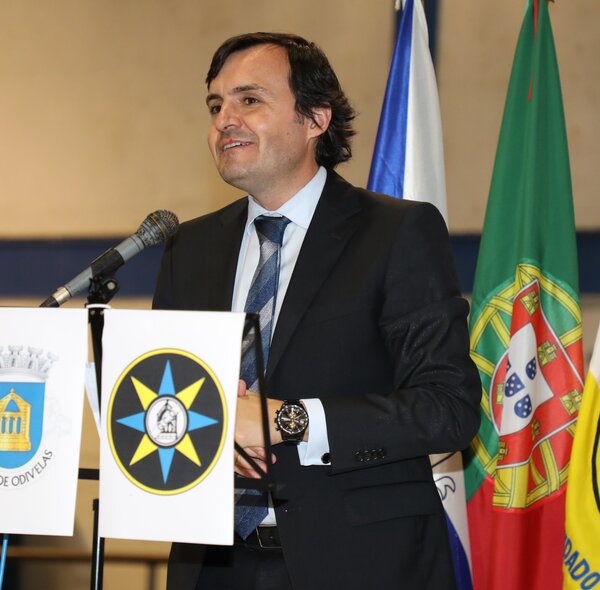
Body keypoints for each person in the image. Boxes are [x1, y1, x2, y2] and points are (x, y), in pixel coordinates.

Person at [153, 32, 481, 590]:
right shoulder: (190, 247)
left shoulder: (396, 233)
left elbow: (447, 408)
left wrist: (289, 420)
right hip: (212, 567)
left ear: (315, 119)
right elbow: (166, 391)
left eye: (249, 99)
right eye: (215, 105)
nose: (224, 120)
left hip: (360, 565)